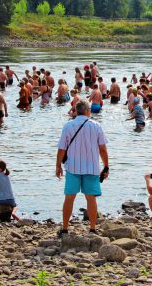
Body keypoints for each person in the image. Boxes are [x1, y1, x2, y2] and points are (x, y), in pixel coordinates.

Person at [56, 100, 109, 234]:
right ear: (88, 111)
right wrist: (106, 166)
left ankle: (65, 228)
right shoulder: (96, 126)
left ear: (76, 111)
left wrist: (58, 166)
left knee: (69, 198)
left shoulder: (68, 126)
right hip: (92, 168)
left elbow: (61, 149)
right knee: (91, 198)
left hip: (72, 167)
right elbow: (102, 149)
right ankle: (92, 228)